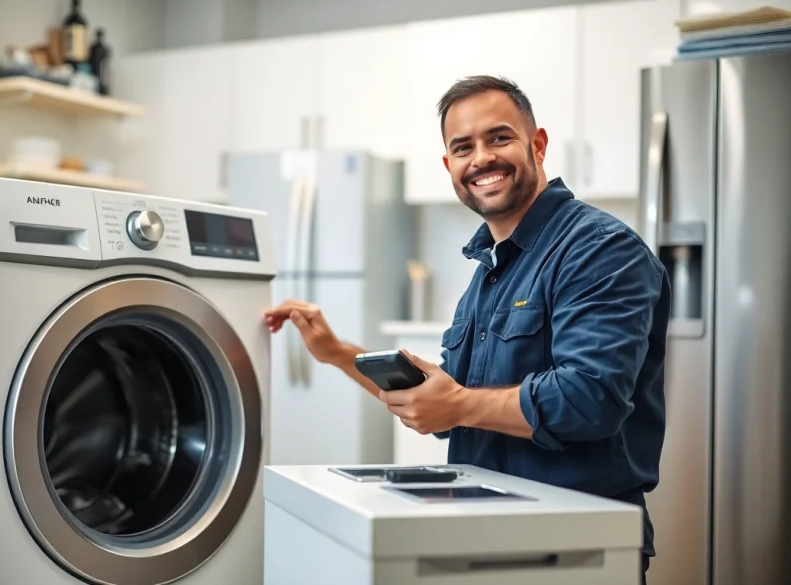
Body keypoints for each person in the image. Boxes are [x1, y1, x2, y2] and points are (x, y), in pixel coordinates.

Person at [264, 75, 669, 585]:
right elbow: (446, 401)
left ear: (537, 144)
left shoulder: (598, 248)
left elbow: (589, 398)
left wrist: (457, 405)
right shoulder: (490, 270)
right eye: (463, 147)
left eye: (499, 138)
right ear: (449, 166)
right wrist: (338, 353)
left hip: (572, 548)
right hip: (485, 535)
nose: (481, 159)